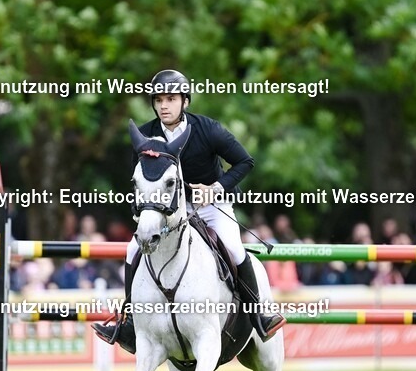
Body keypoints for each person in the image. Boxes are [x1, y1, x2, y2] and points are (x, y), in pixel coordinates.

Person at [93, 69, 285, 352]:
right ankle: (130, 322)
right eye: (158, 100)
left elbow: (245, 161)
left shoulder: (208, 129)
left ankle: (259, 316)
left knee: (234, 248)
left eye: (171, 99)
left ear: (185, 101)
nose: (164, 106)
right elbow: (140, 180)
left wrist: (215, 188)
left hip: (211, 206)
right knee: (133, 250)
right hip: (167, 211)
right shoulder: (145, 136)